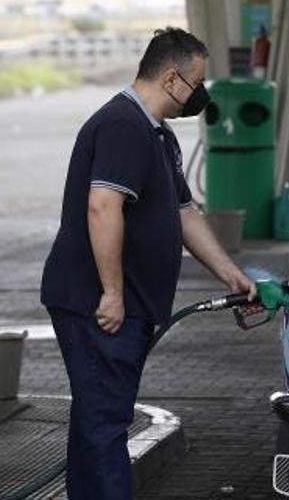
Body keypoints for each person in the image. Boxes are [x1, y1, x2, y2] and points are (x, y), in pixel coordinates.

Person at [40, 26, 258, 499]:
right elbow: (103, 206)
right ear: (173, 79)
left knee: (97, 422)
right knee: (105, 427)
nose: (199, 94)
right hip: (100, 306)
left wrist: (230, 273)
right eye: (197, 82)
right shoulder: (122, 126)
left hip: (127, 306)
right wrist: (113, 293)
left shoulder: (157, 135)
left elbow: (184, 214)